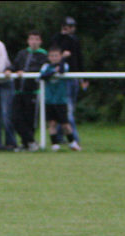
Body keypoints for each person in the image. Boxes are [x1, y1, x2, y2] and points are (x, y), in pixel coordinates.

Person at [5, 30, 48, 152]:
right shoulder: (22, 53)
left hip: (33, 92)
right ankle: (29, 141)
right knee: (15, 118)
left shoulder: (43, 55)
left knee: (30, 119)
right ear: (28, 41)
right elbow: (15, 65)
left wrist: (26, 73)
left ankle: (28, 143)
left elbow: (41, 69)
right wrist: (8, 70)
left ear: (40, 41)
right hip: (19, 92)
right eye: (32, 39)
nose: (34, 42)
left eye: (36, 39)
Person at [50, 16, 87, 144]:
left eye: (72, 27)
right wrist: (63, 35)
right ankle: (74, 139)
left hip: (74, 78)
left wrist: (83, 77)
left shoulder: (75, 40)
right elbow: (54, 52)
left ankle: (62, 137)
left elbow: (79, 59)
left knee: (68, 109)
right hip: (62, 79)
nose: (71, 29)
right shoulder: (57, 39)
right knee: (67, 108)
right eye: (68, 26)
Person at [40, 46, 81, 152]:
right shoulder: (46, 66)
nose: (54, 58)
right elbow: (42, 76)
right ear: (48, 57)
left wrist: (63, 60)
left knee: (65, 124)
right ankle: (54, 145)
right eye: (52, 56)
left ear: (60, 56)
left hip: (60, 100)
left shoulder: (64, 65)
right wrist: (54, 70)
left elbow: (62, 71)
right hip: (49, 100)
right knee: (52, 123)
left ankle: (72, 143)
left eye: (56, 56)